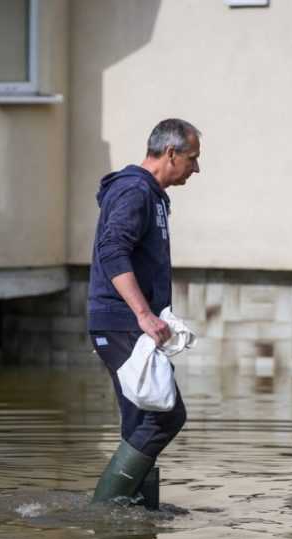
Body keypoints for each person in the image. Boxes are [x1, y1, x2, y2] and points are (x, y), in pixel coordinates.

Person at [87, 118, 201, 504]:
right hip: (121, 324)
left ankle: (138, 516)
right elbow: (112, 250)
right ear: (170, 153)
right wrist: (143, 314)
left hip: (126, 324)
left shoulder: (150, 195)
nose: (196, 168)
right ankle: (103, 509)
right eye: (193, 158)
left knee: (141, 419)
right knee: (165, 415)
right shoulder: (134, 192)